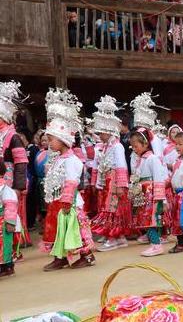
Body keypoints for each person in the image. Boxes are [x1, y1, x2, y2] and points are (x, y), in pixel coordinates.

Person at [42, 88, 95, 271]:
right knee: (60, 229)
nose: (49, 143)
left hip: (70, 202)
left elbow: (72, 181)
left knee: (76, 229)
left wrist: (65, 199)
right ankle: (61, 257)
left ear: (63, 139)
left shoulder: (72, 160)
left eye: (51, 139)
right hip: (59, 201)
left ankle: (87, 256)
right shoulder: (58, 159)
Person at [90, 96, 131, 252]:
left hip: (114, 181)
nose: (100, 136)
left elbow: (121, 166)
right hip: (108, 180)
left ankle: (113, 238)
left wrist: (121, 185)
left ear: (109, 131)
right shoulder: (107, 146)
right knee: (110, 208)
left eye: (102, 133)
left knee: (112, 208)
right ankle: (118, 237)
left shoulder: (117, 147)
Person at [0, 81, 30, 258]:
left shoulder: (13, 136)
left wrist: (19, 186)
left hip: (10, 179)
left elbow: (21, 162)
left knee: (12, 214)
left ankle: (14, 248)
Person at [129, 127, 167, 257]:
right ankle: (154, 244)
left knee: (150, 220)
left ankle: (156, 245)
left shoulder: (152, 159)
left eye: (136, 146)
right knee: (145, 220)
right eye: (132, 147)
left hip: (151, 194)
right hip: (143, 193)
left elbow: (158, 178)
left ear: (145, 144)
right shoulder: (141, 159)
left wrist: (160, 198)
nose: (134, 149)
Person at [0, 160, 18, 278]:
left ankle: (6, 266)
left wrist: (10, 221)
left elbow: (11, 204)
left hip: (3, 222)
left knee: (4, 245)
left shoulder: (4, 188)